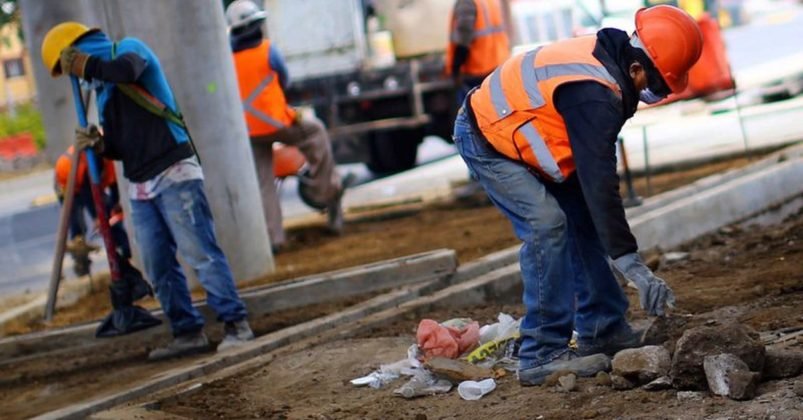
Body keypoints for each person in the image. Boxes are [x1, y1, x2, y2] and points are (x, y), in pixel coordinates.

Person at [452, 5, 703, 385]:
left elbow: (594, 188)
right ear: (637, 68)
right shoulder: (595, 95)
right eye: (655, 85)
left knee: (582, 220)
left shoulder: (609, 66)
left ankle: (604, 329)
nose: (650, 95)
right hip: (488, 138)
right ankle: (541, 352)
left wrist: (622, 252)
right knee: (547, 225)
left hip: (528, 134)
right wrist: (632, 264)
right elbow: (600, 182)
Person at [41, 22, 255, 359]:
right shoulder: (105, 93)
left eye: (72, 67)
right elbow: (121, 146)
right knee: (157, 264)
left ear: (80, 50)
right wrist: (100, 145)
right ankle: (187, 331)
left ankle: (236, 325)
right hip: (140, 183)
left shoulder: (129, 49)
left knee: (200, 253)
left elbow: (126, 71)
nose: (78, 77)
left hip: (174, 171)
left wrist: (87, 64)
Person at [225, 0, 353, 252]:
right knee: (316, 132)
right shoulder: (267, 50)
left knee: (264, 183)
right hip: (278, 123)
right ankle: (326, 192)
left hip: (249, 132)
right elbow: (285, 80)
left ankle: (274, 238)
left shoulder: (227, 60)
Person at [54, 145, 130, 276]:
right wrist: (97, 217)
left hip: (88, 185)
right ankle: (81, 263)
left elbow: (113, 185)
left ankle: (124, 252)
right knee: (77, 225)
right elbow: (87, 193)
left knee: (110, 217)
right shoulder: (83, 163)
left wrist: (115, 205)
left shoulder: (107, 159)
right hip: (68, 187)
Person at [445, 0, 511, 107]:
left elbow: (464, 38)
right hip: (497, 66)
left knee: (473, 113)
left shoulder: (467, 3)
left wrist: (455, 70)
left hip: (477, 71)